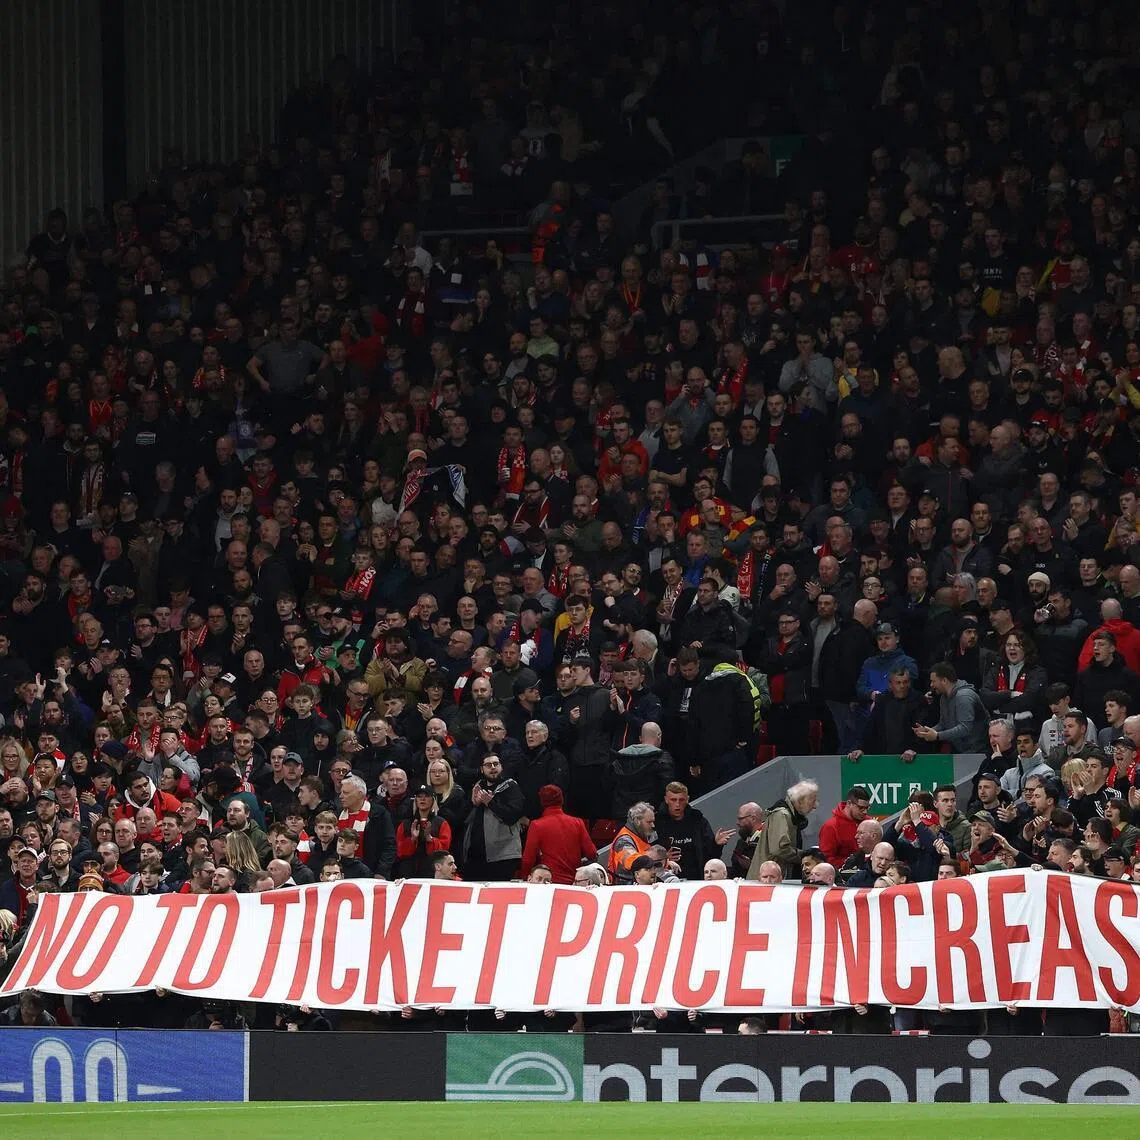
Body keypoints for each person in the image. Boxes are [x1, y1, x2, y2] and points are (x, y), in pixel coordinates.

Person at [462, 754, 525, 881]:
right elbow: (463, 819)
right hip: (475, 856)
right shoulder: (477, 788)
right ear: (481, 769)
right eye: (488, 765)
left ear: (501, 767)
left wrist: (491, 803)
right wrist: (472, 804)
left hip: (503, 856)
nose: (492, 767)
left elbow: (512, 816)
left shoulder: (511, 786)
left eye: (496, 764)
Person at [519, 785, 597, 884]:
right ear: (561, 800)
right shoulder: (577, 823)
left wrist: (526, 878)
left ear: (542, 802)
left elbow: (528, 860)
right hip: (573, 882)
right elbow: (592, 853)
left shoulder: (537, 825)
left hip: (548, 883)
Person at [747, 779, 818, 881]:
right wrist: (805, 856)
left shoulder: (790, 816)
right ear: (800, 800)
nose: (815, 806)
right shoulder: (782, 815)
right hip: (768, 880)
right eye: (812, 800)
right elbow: (779, 849)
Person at [914, 662, 989, 754]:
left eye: (933, 681)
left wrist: (937, 736)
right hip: (961, 751)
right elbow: (943, 724)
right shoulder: (943, 697)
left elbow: (965, 728)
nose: (931, 685)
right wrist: (929, 731)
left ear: (944, 680)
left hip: (978, 752)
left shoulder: (964, 696)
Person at [816, 785, 872, 868]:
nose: (865, 812)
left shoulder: (869, 822)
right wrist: (849, 863)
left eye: (867, 807)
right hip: (841, 876)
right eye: (861, 808)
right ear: (849, 803)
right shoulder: (831, 827)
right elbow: (825, 860)